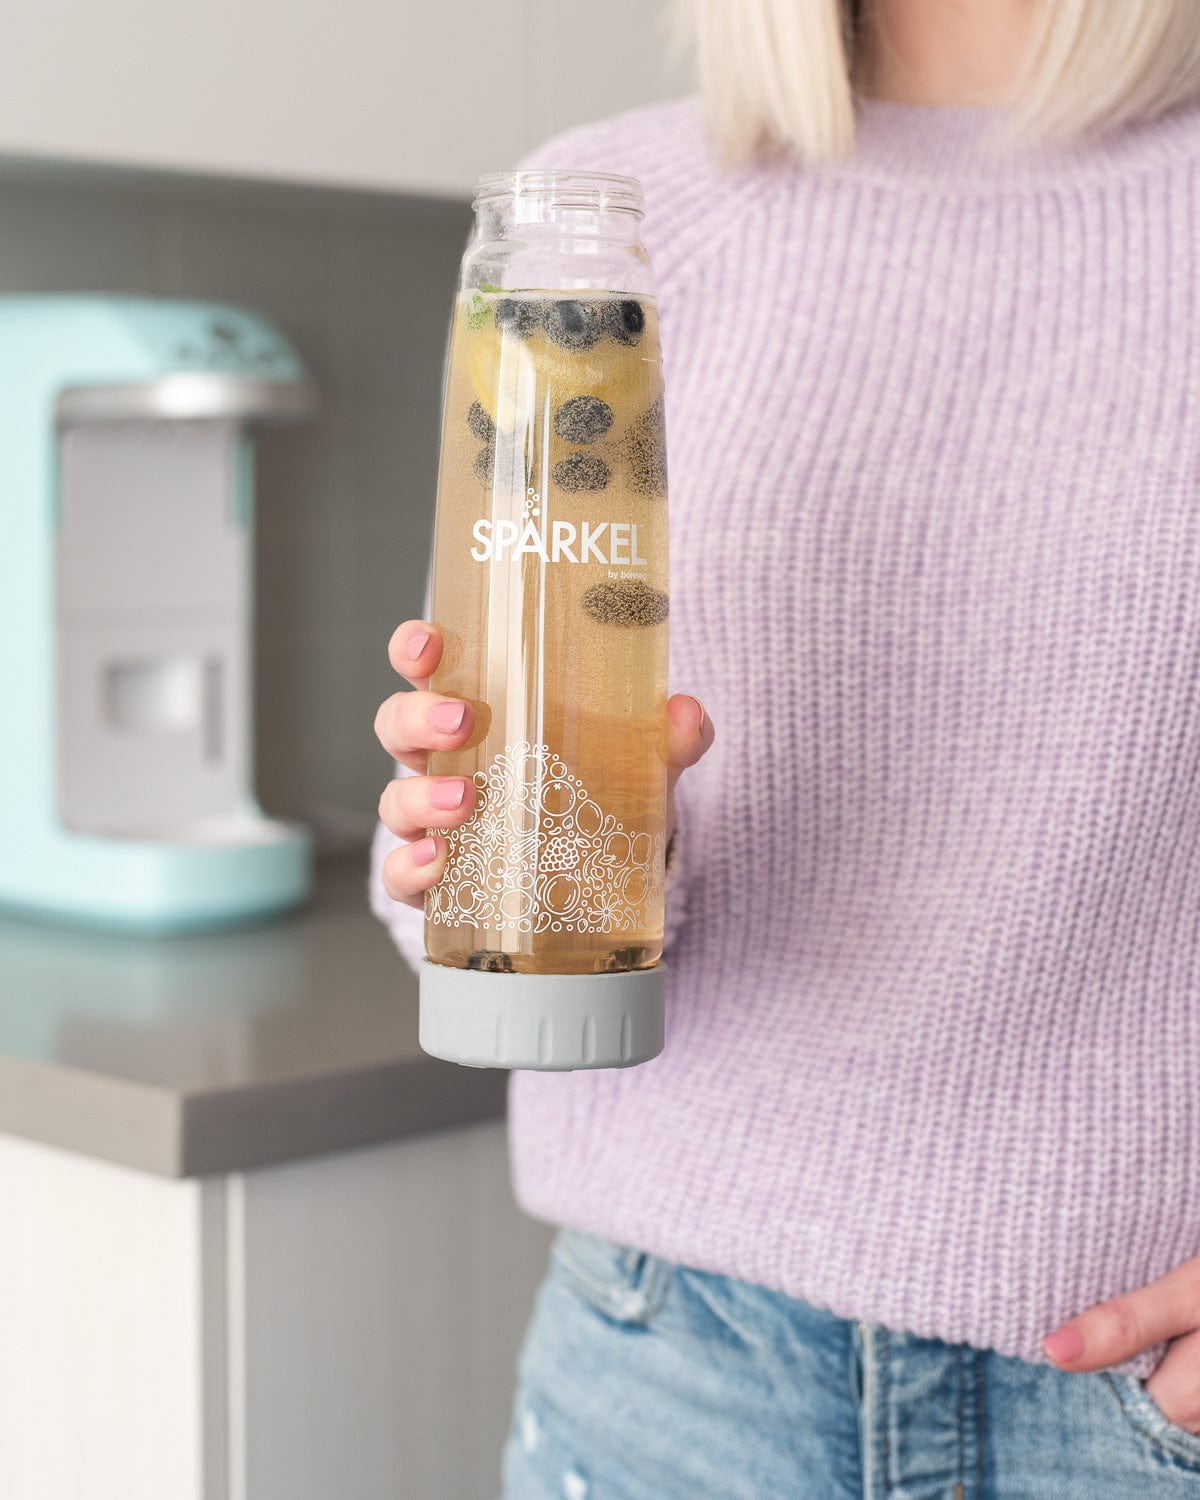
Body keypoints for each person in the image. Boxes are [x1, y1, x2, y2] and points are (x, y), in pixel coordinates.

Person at [369, 0, 1200, 1492]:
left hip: (1142, 1419)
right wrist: (490, 852)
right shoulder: (605, 223)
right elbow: (478, 809)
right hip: (674, 1385)